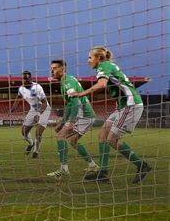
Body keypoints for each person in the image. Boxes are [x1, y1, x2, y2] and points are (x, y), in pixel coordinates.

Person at [69, 46, 151, 184]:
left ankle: (142, 165)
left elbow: (101, 84)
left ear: (99, 58)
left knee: (112, 139)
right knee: (102, 134)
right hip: (122, 106)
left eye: (90, 57)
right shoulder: (107, 65)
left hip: (131, 105)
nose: (88, 61)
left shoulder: (104, 66)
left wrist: (80, 93)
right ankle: (103, 173)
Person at [46, 60, 99, 179]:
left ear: (62, 69)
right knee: (72, 141)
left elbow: (75, 102)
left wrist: (71, 122)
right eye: (51, 68)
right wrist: (62, 122)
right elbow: (69, 104)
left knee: (61, 136)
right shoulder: (65, 81)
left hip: (84, 115)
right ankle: (92, 165)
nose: (51, 70)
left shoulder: (67, 82)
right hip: (86, 115)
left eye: (54, 68)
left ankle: (63, 169)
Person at [9, 71, 51, 158]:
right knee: (24, 132)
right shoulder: (21, 89)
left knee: (38, 132)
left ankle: (36, 151)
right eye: (23, 79)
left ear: (30, 79)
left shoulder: (37, 87)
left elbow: (44, 102)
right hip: (33, 109)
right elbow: (17, 99)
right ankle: (31, 144)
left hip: (44, 109)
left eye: (26, 79)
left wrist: (39, 114)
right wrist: (12, 109)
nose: (24, 80)